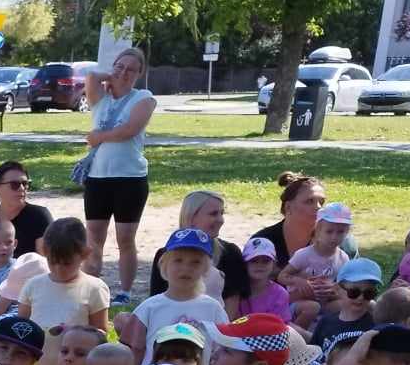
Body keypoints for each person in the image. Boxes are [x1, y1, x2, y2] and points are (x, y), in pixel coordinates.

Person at [79, 47, 158, 304]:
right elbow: (91, 77)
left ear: (139, 74)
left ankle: (124, 291)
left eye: (131, 69)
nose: (124, 73)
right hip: (98, 178)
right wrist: (110, 75)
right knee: (94, 236)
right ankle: (93, 287)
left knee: (125, 237)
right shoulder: (100, 98)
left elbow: (130, 129)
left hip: (130, 178)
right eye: (120, 66)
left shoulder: (144, 98)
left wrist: (99, 137)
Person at [249, 172, 351, 319]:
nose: (318, 207)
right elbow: (251, 289)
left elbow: (352, 285)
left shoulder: (342, 243)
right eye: (309, 201)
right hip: (275, 312)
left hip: (327, 308)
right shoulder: (264, 241)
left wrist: (334, 290)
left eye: (321, 202)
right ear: (288, 207)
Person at [127, 228, 230, 364]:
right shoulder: (149, 308)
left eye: (195, 262)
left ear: (206, 268)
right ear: (164, 264)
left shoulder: (213, 310)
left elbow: (223, 351)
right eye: (178, 260)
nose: (186, 268)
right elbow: (133, 352)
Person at [143, 191, 250, 315]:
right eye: (213, 214)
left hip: (214, 326)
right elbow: (157, 301)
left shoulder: (230, 253)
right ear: (191, 217)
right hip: (171, 326)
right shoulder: (167, 254)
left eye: (222, 213)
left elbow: (231, 310)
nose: (221, 220)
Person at [18, 216, 112, 337]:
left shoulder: (95, 288)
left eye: (67, 263)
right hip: (36, 355)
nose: (59, 269)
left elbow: (101, 334)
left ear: (85, 253)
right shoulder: (32, 285)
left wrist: (75, 332)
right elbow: (20, 326)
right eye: (53, 262)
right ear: (44, 252)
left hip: (75, 354)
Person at [309, 258, 381, 346]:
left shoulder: (376, 326)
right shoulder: (325, 323)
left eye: (369, 293)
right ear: (337, 289)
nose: (361, 298)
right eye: (354, 292)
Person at [240, 238, 292, 324]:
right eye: (254, 261)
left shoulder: (280, 294)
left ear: (274, 264)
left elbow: (280, 326)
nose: (260, 265)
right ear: (245, 264)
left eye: (266, 261)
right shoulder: (236, 291)